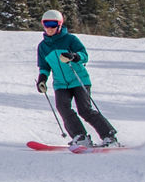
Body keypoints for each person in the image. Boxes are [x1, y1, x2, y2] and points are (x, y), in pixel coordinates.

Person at [35, 8, 118, 148]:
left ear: (59, 25)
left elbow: (84, 55)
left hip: (79, 80)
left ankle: (109, 136)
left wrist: (73, 57)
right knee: (63, 108)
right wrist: (42, 79)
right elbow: (44, 66)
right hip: (61, 84)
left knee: (85, 110)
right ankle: (80, 137)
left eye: (53, 24)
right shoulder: (43, 47)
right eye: (46, 24)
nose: (49, 28)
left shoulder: (70, 39)